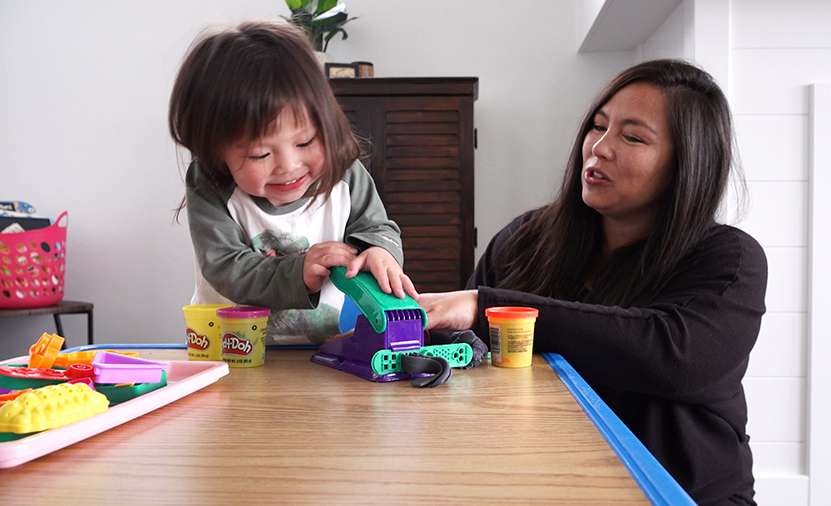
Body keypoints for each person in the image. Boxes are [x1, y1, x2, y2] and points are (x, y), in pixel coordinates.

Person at [419, 59, 766, 505]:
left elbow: (673, 358)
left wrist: (493, 310)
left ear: (686, 164)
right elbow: (466, 353)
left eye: (633, 137)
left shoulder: (729, 258)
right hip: (541, 484)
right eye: (598, 127)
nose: (599, 148)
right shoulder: (526, 238)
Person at [169, 21, 416, 345]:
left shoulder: (346, 175)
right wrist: (297, 271)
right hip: (231, 356)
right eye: (260, 154)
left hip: (324, 355)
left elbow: (378, 228)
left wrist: (379, 252)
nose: (288, 166)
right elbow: (225, 266)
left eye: (305, 142)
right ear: (215, 152)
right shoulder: (211, 185)